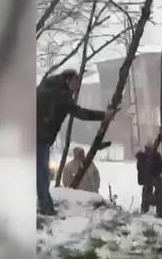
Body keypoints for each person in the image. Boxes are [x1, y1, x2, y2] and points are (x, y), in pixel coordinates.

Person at [37, 70, 115, 215]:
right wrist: (104, 115)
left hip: (36, 133)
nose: (77, 86)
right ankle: (46, 209)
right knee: (41, 173)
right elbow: (79, 113)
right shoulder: (60, 94)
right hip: (40, 137)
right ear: (68, 80)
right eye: (76, 82)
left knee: (40, 172)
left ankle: (40, 205)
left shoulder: (47, 86)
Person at [136, 139, 162, 214]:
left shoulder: (142, 157)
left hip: (146, 180)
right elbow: (161, 168)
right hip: (155, 178)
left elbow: (139, 168)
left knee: (146, 196)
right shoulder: (156, 155)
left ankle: (144, 211)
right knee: (161, 195)